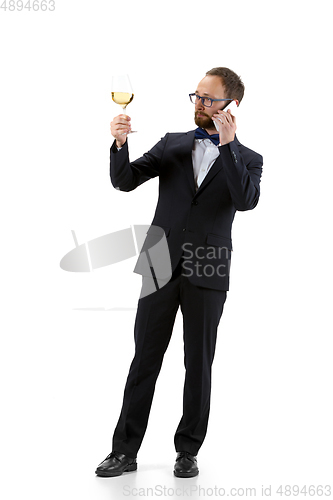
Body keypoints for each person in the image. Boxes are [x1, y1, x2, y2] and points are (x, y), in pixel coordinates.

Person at [95, 67, 263, 478]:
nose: (200, 105)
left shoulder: (249, 160)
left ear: (231, 105)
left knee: (198, 362)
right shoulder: (171, 144)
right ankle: (123, 451)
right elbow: (125, 181)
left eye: (209, 99)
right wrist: (119, 144)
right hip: (158, 261)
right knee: (144, 360)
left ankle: (187, 450)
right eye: (197, 96)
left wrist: (227, 147)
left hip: (209, 267)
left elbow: (246, 201)